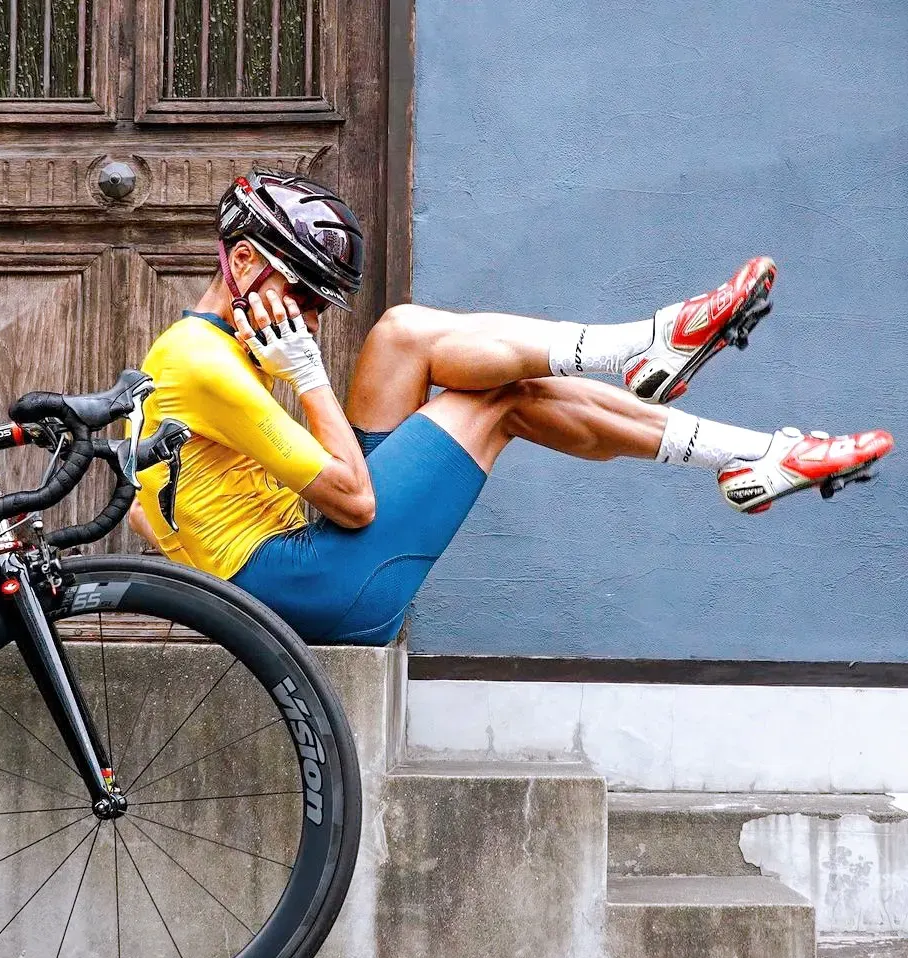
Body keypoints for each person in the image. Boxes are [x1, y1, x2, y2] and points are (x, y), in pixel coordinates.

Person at [128, 169, 893, 646]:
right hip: (319, 592)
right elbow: (356, 501)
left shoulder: (199, 353)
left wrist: (200, 544)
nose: (311, 317)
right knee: (500, 401)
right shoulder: (205, 362)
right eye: (302, 292)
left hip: (302, 570)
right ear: (244, 262)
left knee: (400, 335)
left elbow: (141, 506)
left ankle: (730, 429)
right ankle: (685, 386)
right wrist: (308, 376)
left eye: (319, 304)